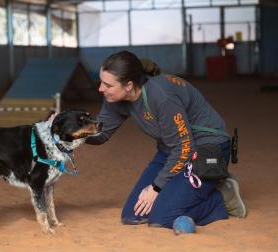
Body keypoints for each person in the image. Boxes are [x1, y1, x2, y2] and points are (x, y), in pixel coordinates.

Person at [85, 50, 246, 229]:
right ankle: (180, 194)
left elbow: (185, 148)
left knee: (162, 217)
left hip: (206, 149)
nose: (101, 89)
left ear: (129, 85)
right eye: (101, 82)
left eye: (107, 85)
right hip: (172, 151)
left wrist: (156, 188)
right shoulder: (114, 97)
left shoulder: (161, 96)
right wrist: (70, 133)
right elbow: (101, 133)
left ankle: (222, 197)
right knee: (132, 215)